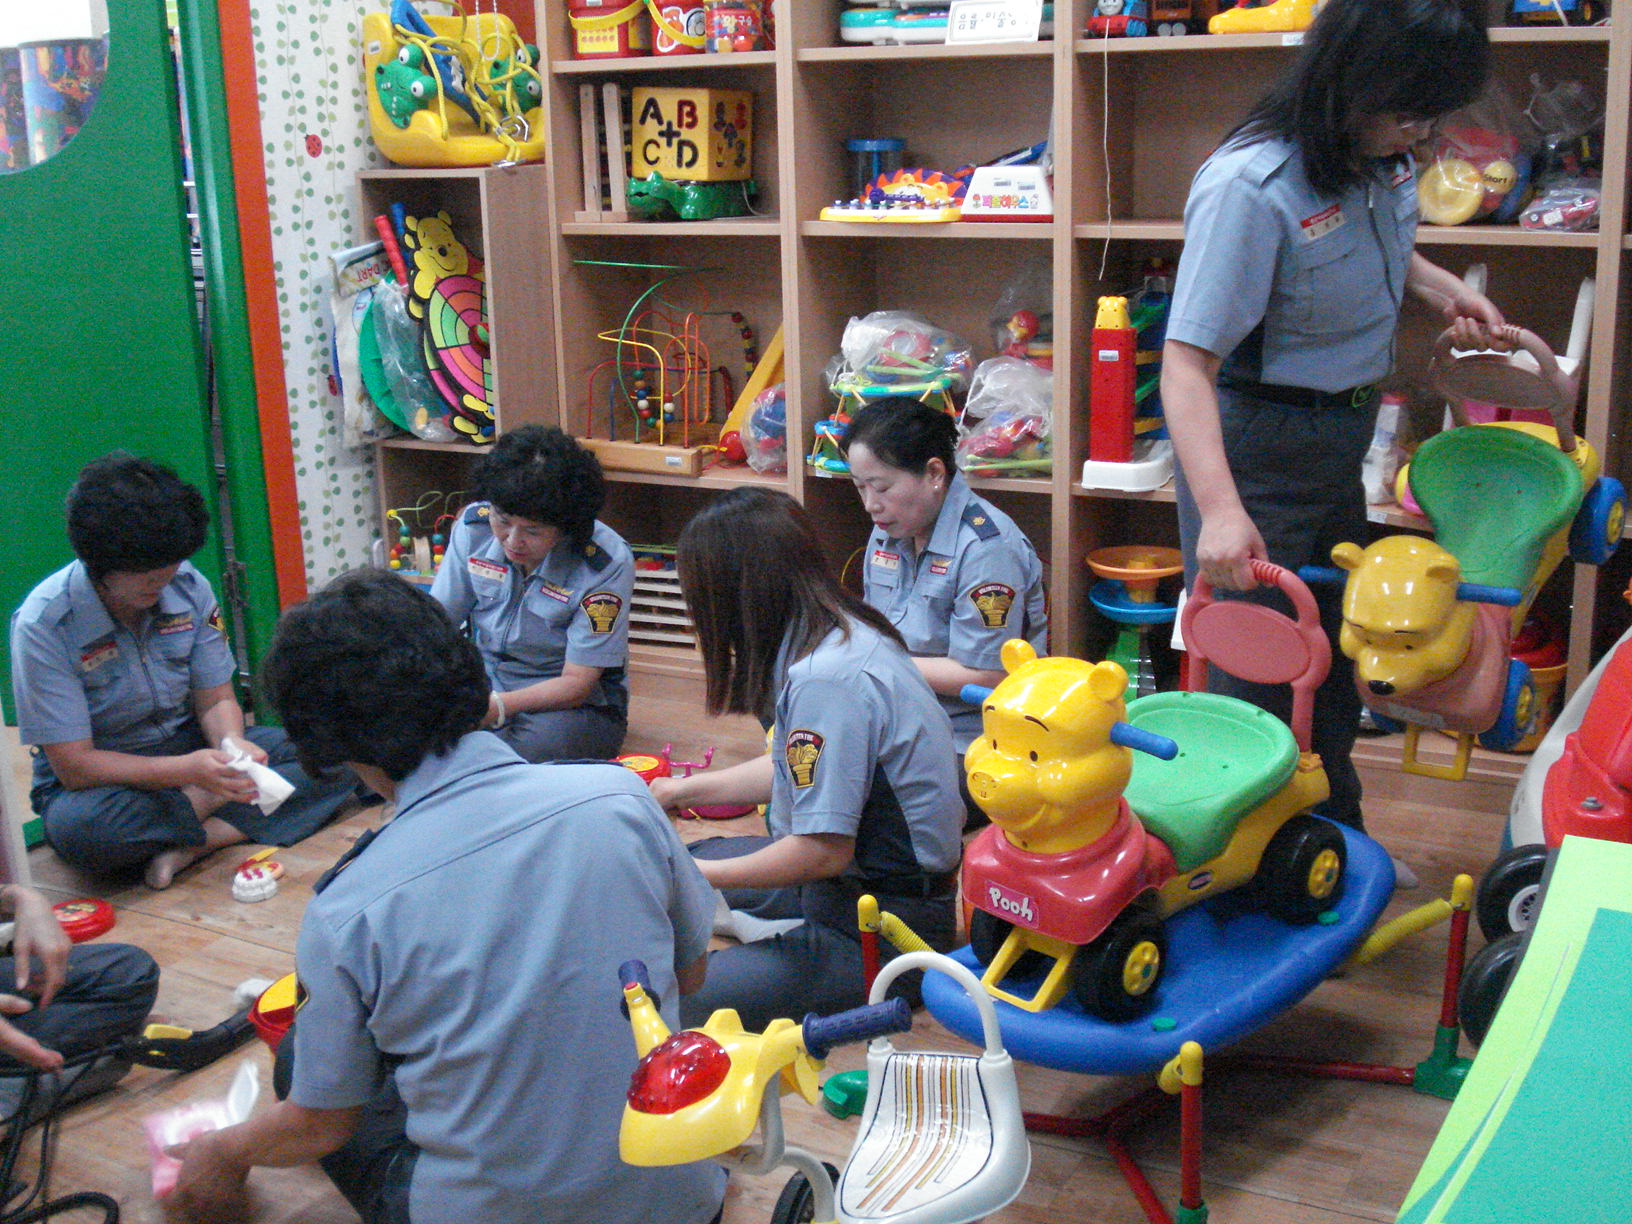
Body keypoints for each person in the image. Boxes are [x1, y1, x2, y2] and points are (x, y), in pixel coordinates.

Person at [160, 569, 723, 1224]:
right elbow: (690, 975)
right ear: (466, 672)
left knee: (301, 1064)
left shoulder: (348, 909)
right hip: (683, 1199)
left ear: (331, 746)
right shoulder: (620, 796)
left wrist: (221, 1151)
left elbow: (319, 1124)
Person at [1159, 0, 1503, 867]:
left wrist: (1438, 287)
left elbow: (1376, 240)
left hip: (1338, 439)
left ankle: (1328, 845)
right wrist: (1222, 512)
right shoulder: (1251, 186)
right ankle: (1249, 874)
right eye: (1409, 114)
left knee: (1338, 660)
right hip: (1253, 449)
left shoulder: (1378, 155)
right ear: (1349, 81)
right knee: (1258, 679)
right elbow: (1185, 367)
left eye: (1432, 118)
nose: (1421, 136)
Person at [647, 489, 964, 1032]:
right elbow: (791, 768)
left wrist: (694, 879)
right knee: (678, 863)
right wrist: (680, 791)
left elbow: (822, 852)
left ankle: (741, 925)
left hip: (883, 930)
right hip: (845, 892)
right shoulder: (840, 632)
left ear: (731, 594)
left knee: (664, 1004)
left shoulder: (826, 678)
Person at [9, 454, 356, 890]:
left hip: (192, 745)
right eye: (144, 573)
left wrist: (231, 744)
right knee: (85, 834)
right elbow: (76, 766)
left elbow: (217, 697)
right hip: (105, 780)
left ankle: (200, 842)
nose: (161, 582)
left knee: (342, 752)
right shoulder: (44, 624)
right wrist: (197, 778)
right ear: (99, 564)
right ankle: (224, 810)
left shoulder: (189, 587)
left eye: (170, 566)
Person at [840, 398, 1048, 826]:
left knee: (858, 805)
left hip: (972, 741)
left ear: (934, 473)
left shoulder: (987, 548)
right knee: (799, 752)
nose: (870, 505)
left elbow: (990, 677)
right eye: (860, 487)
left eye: (881, 487)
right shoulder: (888, 530)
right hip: (899, 717)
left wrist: (873, 662)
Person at [431, 425, 634, 762]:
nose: (512, 541)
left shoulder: (605, 563)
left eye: (533, 531)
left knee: (536, 749)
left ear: (566, 528)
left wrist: (496, 708)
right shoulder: (473, 529)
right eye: (502, 520)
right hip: (482, 677)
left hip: (567, 701)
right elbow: (435, 624)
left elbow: (577, 684)